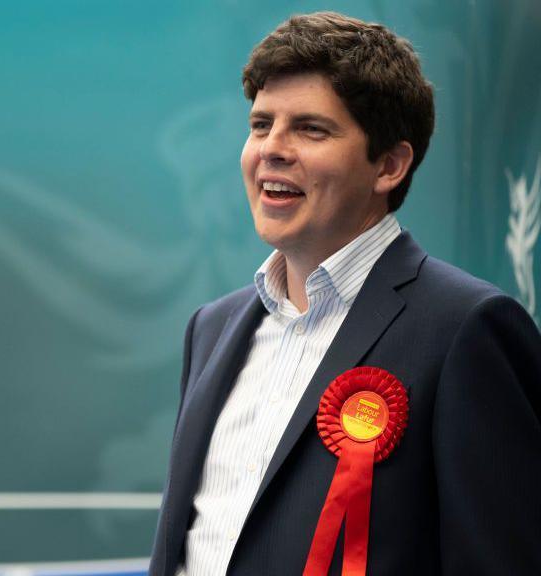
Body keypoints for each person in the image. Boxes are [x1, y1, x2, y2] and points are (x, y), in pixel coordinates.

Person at [150, 11, 541, 576]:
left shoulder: (469, 329)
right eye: (261, 125)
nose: (271, 149)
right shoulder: (210, 328)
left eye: (310, 128)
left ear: (389, 165)